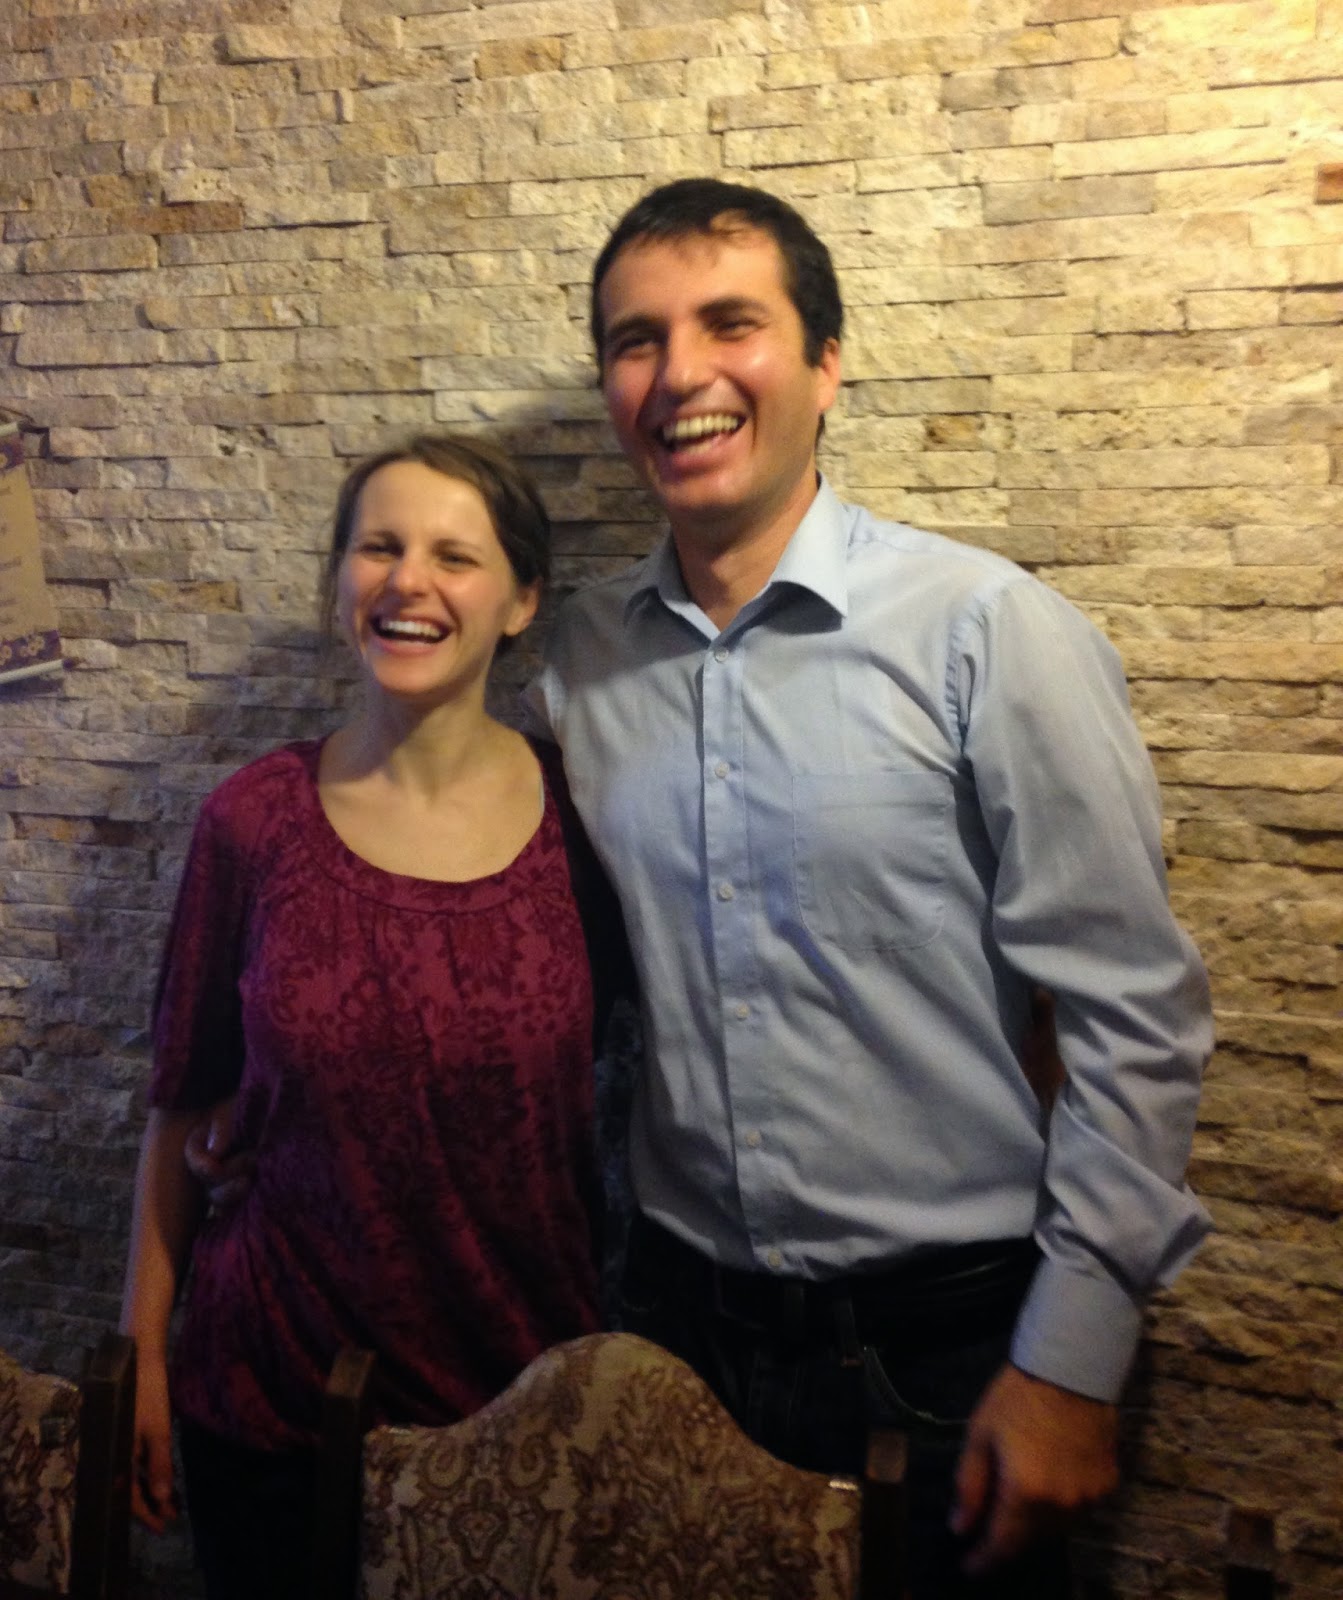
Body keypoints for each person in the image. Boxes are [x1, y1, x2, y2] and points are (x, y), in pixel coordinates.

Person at [523, 178, 1214, 1597]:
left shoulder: (986, 631)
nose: (680, 374)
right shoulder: (576, 663)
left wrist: (1072, 1359)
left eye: (730, 323)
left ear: (825, 362)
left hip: (948, 1353)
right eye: (636, 340)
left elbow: (1130, 1019)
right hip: (672, 1326)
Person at [120, 434, 617, 1600]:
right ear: (339, 580)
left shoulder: (588, 818)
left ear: (521, 600)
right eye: (378, 547)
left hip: (520, 1399)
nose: (407, 581)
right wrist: (141, 1353)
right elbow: (182, 1102)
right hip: (272, 1398)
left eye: (455, 555)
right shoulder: (254, 819)